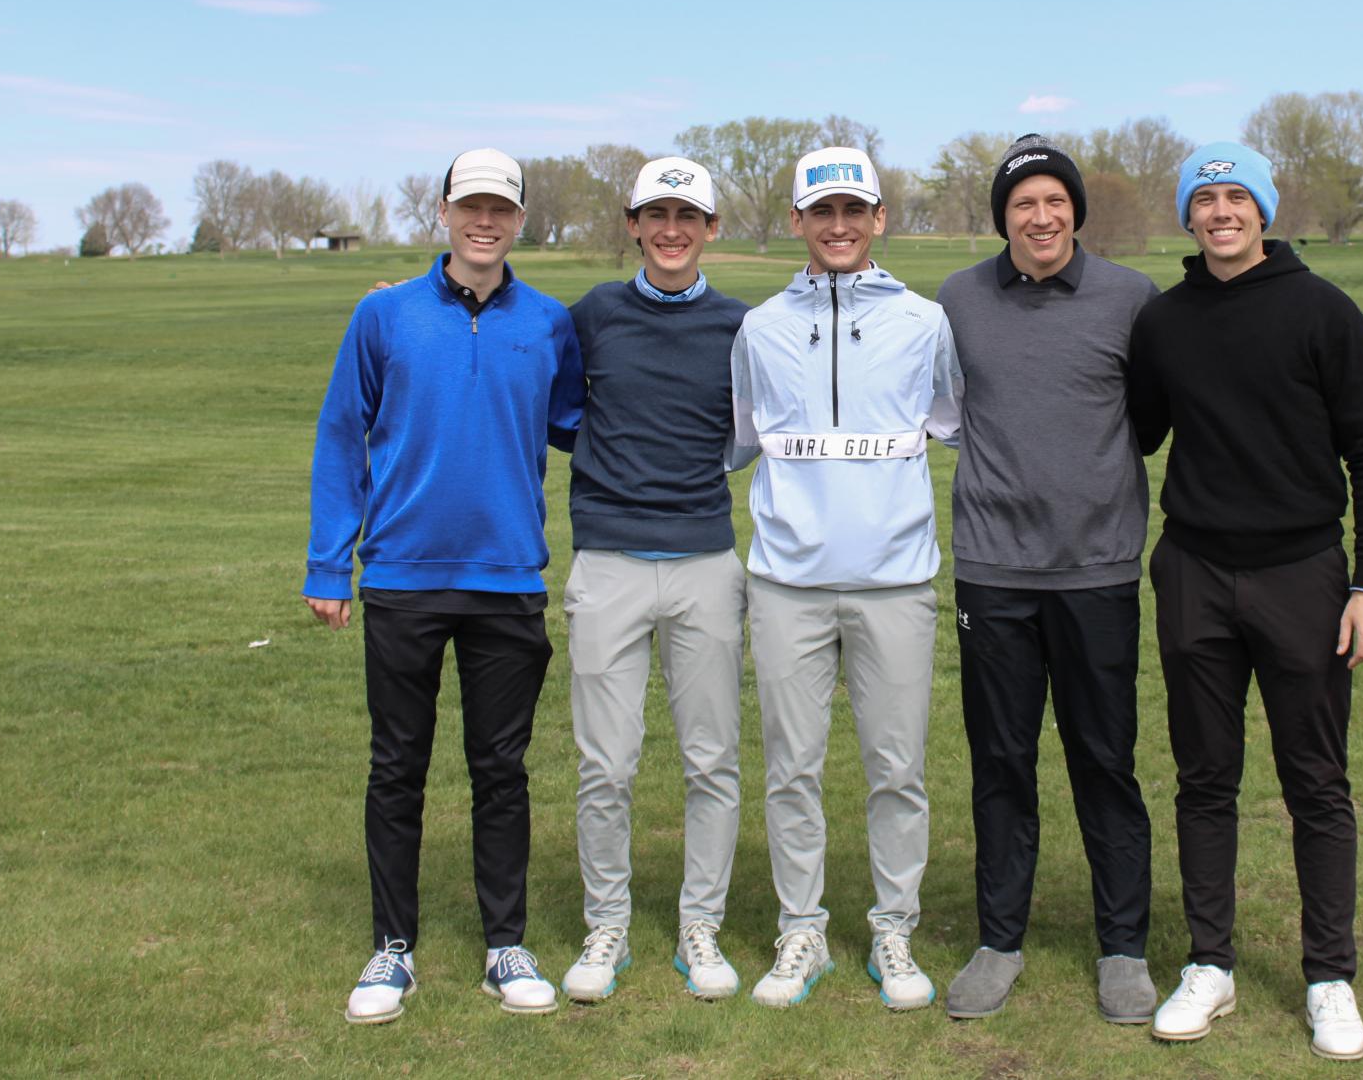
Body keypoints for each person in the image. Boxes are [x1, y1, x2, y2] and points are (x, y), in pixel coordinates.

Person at [1127, 140, 1363, 1061]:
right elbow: (1140, 427)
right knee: (1205, 780)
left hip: (1304, 576)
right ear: (1187, 217)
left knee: (1315, 782)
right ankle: (1210, 964)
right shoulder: (1164, 322)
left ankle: (1329, 977)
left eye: (1237, 196)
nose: (1220, 212)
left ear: (1264, 211)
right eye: (1204, 199)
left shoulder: (1324, 312)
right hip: (1194, 572)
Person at [304, 147, 583, 1025]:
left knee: (500, 771)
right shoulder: (382, 315)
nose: (485, 221)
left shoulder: (547, 322)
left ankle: (506, 943)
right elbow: (343, 441)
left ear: (520, 218)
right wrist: (327, 563)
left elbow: (585, 425)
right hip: (402, 578)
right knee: (398, 769)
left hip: (506, 580)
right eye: (471, 206)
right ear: (443, 213)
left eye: (501, 207)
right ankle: (393, 948)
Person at [728, 145, 963, 1011]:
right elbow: (744, 438)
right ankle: (801, 930)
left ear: (878, 219)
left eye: (853, 211)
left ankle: (893, 929)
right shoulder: (758, 328)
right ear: (797, 221)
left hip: (896, 583)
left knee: (895, 768)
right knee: (791, 766)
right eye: (821, 212)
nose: (838, 226)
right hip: (786, 583)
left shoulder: (925, 321)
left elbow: (947, 421)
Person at [935, 135, 1159, 1024]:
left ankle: (1123, 950)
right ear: (1003, 218)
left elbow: (1147, 423)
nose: (1040, 216)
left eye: (1053, 201)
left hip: (1096, 571)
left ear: (1074, 211)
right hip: (993, 572)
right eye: (1022, 204)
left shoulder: (1130, 298)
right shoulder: (957, 298)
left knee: (1105, 761)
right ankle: (998, 941)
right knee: (1001, 761)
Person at [556, 157, 753, 1004]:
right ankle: (608, 924)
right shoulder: (593, 314)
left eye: (688, 216)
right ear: (632, 225)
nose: (672, 230)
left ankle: (699, 924)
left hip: (706, 560)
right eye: (655, 215)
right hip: (608, 562)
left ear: (711, 230)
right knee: (607, 763)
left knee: (712, 759)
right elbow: (559, 408)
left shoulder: (741, 325)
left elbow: (747, 434)